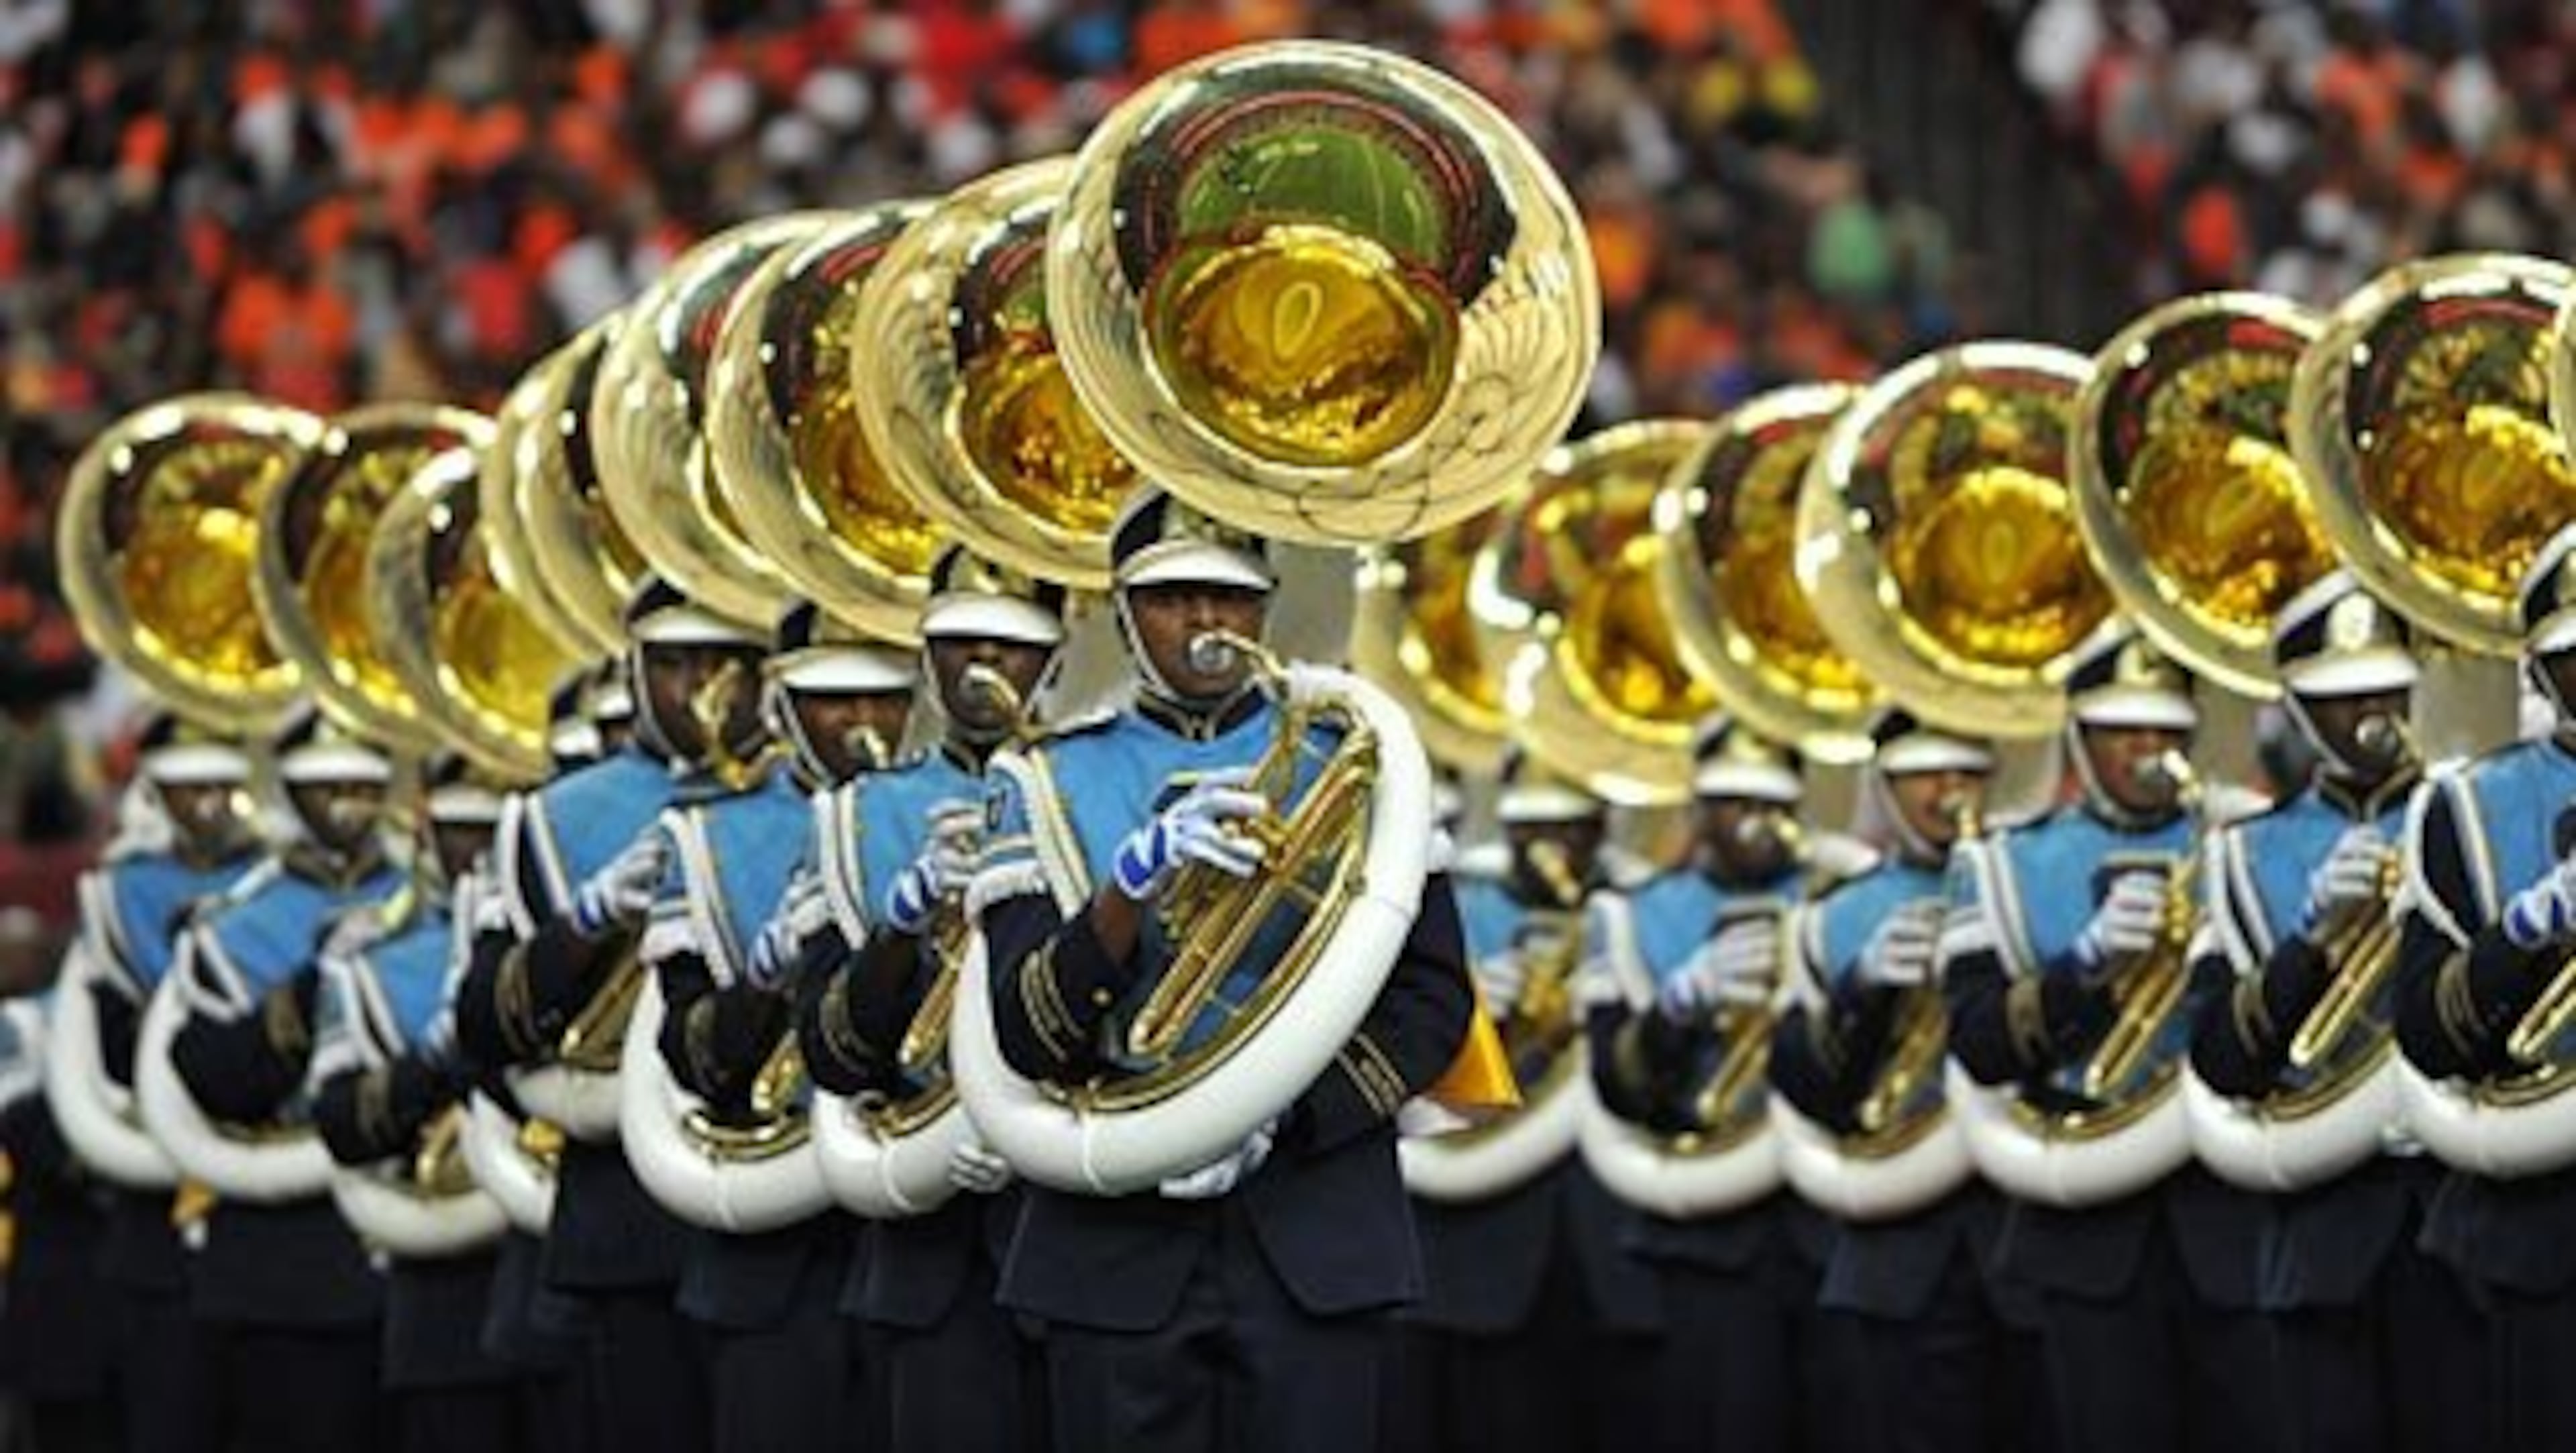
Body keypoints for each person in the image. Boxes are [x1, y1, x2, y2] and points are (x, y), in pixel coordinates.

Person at [975, 488, 1476, 1453]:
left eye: (1231, 596)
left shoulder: (1357, 756)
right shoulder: (1041, 780)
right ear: (1125, 613)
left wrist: (1285, 1113)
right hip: (1112, 1241)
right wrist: (1127, 889)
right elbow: (1024, 1031)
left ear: (1266, 606)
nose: (1206, 622)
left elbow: (1432, 1000)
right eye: (1172, 599)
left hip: (1315, 1226)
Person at [1939, 624, 2282, 1453]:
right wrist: (2082, 969)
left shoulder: (2242, 841)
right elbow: (1979, 1045)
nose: (2148, 748)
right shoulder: (2002, 865)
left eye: (2167, 728)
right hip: (2087, 1233)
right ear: (2078, 736)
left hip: (2229, 1217)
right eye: (2123, 729)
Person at [452, 576, 758, 1453]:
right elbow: (484, 1029)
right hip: (628, 1218)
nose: (700, 688)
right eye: (674, 664)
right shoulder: (559, 817)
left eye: (722, 663)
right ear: (633, 671)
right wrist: (586, 923)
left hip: (789, 1213)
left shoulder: (811, 798)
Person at [789, 547, 1066, 1452]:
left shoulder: (1097, 778)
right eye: (960, 642)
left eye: (1013, 643)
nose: (986, 662)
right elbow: (833, 1051)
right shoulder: (858, 815)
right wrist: (901, 925)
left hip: (1086, 1239)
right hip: (927, 1254)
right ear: (926, 656)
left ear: (1057, 656)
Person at [1588, 716, 1862, 1452]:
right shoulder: (1637, 914)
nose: (1758, 823)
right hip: (1707, 1242)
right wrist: (1678, 1007)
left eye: (1773, 804)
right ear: (1701, 810)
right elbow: (1617, 1084)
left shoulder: (1836, 900)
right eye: (1737, 804)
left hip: (1835, 1221)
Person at [1770, 710, 2042, 1453]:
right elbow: (1807, 1086)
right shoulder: (1830, 914)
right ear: (1884, 787)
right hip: (1896, 1262)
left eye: (1967, 771)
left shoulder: (2026, 875)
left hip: (2026, 1242)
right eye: (1925, 773)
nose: (1950, 790)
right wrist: (1861, 988)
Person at [156, 706, 406, 1451]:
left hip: (433, 1258)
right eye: (328, 787)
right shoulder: (236, 925)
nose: (348, 803)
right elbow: (215, 1079)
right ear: (291, 793)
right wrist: (309, 986)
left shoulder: (427, 902)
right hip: (293, 1266)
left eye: (363, 785)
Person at [1397, 749, 1660, 1453]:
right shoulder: (1448, 913)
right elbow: (1408, 1091)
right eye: (1533, 827)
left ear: (1600, 827)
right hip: (1482, 1253)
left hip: (1619, 1253)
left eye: (1570, 827)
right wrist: (1468, 1017)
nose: (1551, 846)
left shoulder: (1643, 910)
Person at [2393, 524, 2576, 1448]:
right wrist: (2528, 930)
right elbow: (2427, 1032)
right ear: (2540, 672)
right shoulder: (2469, 806)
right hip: (2546, 1233)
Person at [50, 716, 261, 1453]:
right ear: (157, 793)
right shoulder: (120, 894)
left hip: (267, 1217)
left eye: (220, 785)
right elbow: (113, 1053)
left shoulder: (270, 886)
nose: (208, 803)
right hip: (155, 1218)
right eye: (188, 788)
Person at [310, 753, 521, 1452]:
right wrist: (431, 1063)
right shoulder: (370, 956)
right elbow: (341, 1121)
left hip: (550, 1288)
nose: (480, 852)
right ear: (427, 831)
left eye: (495, 830)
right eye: (462, 830)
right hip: (444, 1302)